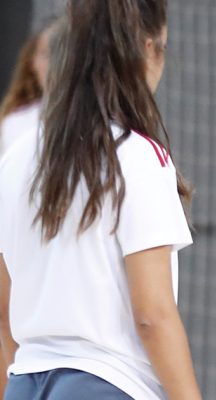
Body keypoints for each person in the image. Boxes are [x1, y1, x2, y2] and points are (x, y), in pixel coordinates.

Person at [0, 1, 202, 399]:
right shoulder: (138, 155)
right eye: (163, 47)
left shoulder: (16, 157)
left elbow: (2, 311)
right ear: (147, 49)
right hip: (107, 384)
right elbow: (153, 316)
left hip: (25, 383)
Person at [0, 19, 55, 159]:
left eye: (62, 53)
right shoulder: (14, 122)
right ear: (32, 62)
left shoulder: (95, 122)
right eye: (46, 54)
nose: (54, 64)